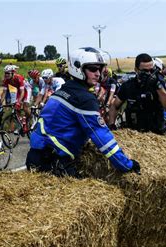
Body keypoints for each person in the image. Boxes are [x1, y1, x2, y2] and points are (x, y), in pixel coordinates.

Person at [26, 47, 140, 177]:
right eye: (92, 69)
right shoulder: (83, 98)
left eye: (100, 69)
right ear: (78, 69)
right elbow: (101, 136)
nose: (98, 73)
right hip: (53, 161)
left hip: (35, 156)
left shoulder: (65, 89)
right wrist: (126, 165)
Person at [108, 53, 166, 135]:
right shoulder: (128, 86)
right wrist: (111, 125)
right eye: (145, 71)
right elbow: (114, 106)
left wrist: (158, 87)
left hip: (156, 135)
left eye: (151, 70)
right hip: (133, 135)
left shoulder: (158, 84)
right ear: (136, 70)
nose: (149, 73)